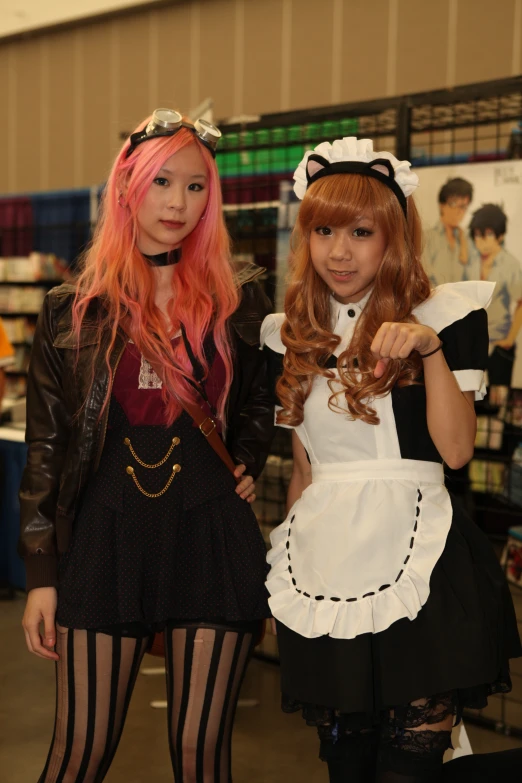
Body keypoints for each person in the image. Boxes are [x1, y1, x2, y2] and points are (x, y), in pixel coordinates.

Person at [19, 109, 274, 783]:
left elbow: (263, 396)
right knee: (79, 752)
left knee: (200, 756)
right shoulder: (72, 308)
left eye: (196, 187)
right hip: (106, 537)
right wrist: (42, 575)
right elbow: (45, 445)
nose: (178, 203)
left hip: (211, 535)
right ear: (128, 185)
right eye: (162, 181)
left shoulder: (239, 297)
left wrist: (246, 454)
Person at [261, 137, 522, 783]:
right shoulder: (291, 333)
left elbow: (457, 451)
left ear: (394, 237)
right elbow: (303, 472)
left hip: (422, 564)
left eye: (360, 230)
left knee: (409, 767)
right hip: (325, 564)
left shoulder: (446, 316)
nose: (339, 250)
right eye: (323, 230)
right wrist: (285, 587)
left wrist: (429, 351)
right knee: (346, 763)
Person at [465, 203, 522, 387]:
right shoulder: (471, 262)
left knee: (500, 401)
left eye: (489, 234)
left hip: (499, 343)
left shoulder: (509, 264)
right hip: (473, 343)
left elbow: (521, 302)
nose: (483, 242)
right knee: (473, 399)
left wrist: (509, 339)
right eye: (478, 235)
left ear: (500, 235)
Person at [422, 177, 474, 286]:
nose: (458, 211)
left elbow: (472, 277)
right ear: (442, 206)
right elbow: (423, 275)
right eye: (454, 204)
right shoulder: (427, 237)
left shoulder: (465, 240)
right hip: (433, 299)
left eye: (463, 206)